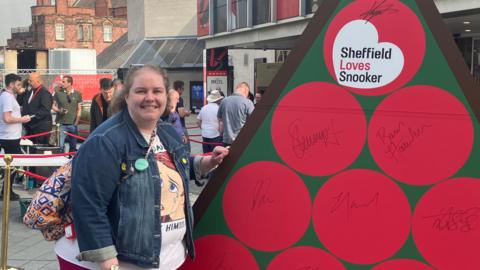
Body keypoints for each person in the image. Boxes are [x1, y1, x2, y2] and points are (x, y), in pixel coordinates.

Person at [56, 65, 228, 270]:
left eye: (157, 91)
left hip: (168, 258)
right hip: (122, 263)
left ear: (166, 96)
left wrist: (205, 163)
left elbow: (165, 169)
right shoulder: (105, 141)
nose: (150, 97)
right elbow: (88, 205)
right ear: (126, 96)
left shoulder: (166, 132)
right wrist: (109, 263)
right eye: (141, 91)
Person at [0, 74, 31, 200]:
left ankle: (6, 191)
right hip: (9, 137)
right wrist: (22, 119)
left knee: (13, 165)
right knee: (14, 164)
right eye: (18, 84)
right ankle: (6, 192)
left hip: (9, 136)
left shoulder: (7, 96)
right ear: (11, 84)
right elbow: (7, 118)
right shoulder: (7, 97)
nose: (19, 87)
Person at [217, 82, 255, 146]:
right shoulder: (248, 102)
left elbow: (221, 122)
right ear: (246, 91)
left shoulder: (224, 101)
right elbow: (254, 122)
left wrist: (221, 134)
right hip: (242, 141)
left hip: (226, 140)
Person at [20, 72, 53, 145]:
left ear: (38, 81)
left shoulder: (44, 93)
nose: (28, 82)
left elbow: (45, 110)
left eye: (30, 81)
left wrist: (30, 117)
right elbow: (21, 103)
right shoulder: (30, 91)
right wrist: (21, 93)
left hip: (40, 128)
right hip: (30, 127)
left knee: (39, 150)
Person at [52, 75, 83, 152]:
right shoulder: (58, 93)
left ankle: (71, 163)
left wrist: (76, 122)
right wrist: (59, 110)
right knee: (60, 147)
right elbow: (52, 106)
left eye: (63, 82)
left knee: (73, 147)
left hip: (73, 125)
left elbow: (79, 109)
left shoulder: (77, 94)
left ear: (69, 83)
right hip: (61, 124)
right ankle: (60, 163)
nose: (61, 83)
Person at [173, 81, 191, 152]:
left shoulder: (169, 98)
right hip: (180, 126)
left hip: (171, 126)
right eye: (182, 89)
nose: (183, 91)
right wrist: (187, 113)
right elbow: (181, 114)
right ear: (179, 89)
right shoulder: (179, 98)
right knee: (186, 147)